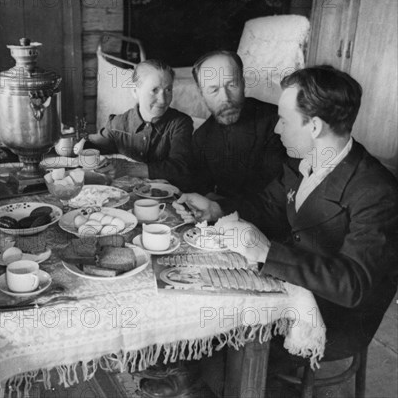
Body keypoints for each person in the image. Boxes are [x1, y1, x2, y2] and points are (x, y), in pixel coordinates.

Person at [174, 66, 398, 391]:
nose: (277, 129)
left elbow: (353, 284)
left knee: (217, 347)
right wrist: (215, 208)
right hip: (291, 285)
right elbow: (268, 204)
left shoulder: (376, 191)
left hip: (332, 315)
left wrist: (268, 252)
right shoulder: (304, 161)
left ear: (316, 126)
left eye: (285, 120)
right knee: (195, 295)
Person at [81, 59, 194, 188]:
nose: (163, 100)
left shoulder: (180, 123)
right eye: (154, 90)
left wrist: (128, 168)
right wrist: (76, 145)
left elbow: (179, 167)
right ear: (135, 91)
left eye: (168, 90)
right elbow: (93, 146)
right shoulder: (118, 124)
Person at [188, 51, 286, 198]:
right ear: (201, 93)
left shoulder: (276, 123)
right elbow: (202, 187)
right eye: (214, 90)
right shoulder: (200, 137)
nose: (225, 98)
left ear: (243, 83)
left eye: (232, 85)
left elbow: (278, 196)